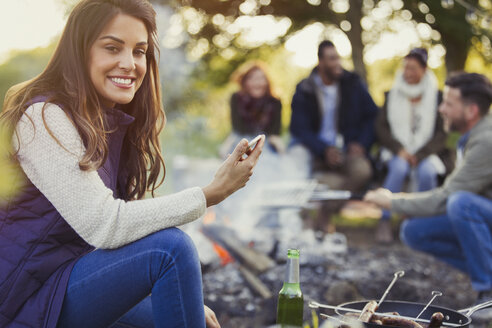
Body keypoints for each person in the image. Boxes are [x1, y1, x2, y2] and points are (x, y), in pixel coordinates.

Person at [0, 1, 264, 327]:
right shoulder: (43, 118)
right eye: (112, 48)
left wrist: (186, 297)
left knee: (184, 308)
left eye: (139, 51)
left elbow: (127, 238)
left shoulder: (108, 124)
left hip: (63, 284)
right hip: (21, 299)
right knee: (171, 248)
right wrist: (210, 193)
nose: (129, 63)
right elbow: (106, 225)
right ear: (80, 52)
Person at [364, 72, 492, 322]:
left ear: (471, 110)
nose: (441, 109)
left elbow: (447, 198)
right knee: (414, 230)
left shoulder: (486, 141)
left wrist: (392, 201)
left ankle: (488, 292)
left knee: (461, 204)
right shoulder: (474, 136)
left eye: (448, 103)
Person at [289, 40, 378, 229]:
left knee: (362, 171)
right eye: (332, 59)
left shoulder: (353, 84)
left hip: (346, 149)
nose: (337, 63)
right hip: (314, 150)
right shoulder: (305, 88)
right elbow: (299, 128)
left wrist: (361, 143)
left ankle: (326, 213)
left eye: (338, 58)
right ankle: (299, 220)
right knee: (295, 162)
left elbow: (372, 115)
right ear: (320, 62)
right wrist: (323, 149)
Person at [374, 48, 452, 243]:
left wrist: (420, 154)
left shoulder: (437, 97)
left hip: (427, 153)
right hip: (397, 151)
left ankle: (421, 221)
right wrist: (399, 150)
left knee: (427, 173)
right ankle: (384, 220)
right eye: (405, 68)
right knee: (398, 168)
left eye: (413, 68)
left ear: (424, 69)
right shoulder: (392, 94)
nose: (407, 73)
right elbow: (382, 128)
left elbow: (442, 134)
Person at [220, 62, 283, 158]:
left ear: (267, 81)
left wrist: (280, 148)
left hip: (265, 141)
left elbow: (275, 131)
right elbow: (237, 127)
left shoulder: (275, 101)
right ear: (244, 82)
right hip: (242, 138)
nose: (257, 82)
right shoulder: (236, 98)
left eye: (261, 78)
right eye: (252, 78)